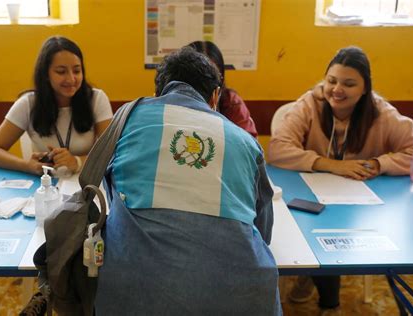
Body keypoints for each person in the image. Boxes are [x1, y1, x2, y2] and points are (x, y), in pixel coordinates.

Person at [95, 46, 281, 315]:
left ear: (158, 93)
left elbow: (111, 196)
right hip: (239, 298)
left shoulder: (128, 118)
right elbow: (264, 229)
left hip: (134, 297)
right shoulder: (244, 141)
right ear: (215, 96)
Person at [267, 46, 413, 314]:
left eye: (349, 84)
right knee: (315, 233)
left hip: (363, 205)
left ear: (364, 89)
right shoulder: (310, 104)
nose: (337, 89)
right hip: (309, 197)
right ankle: (329, 303)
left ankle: (318, 289)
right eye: (331, 81)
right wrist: (332, 165)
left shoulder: (380, 112)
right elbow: (277, 149)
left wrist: (380, 164)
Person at [0, 36, 113, 176]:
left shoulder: (96, 99)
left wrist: (78, 162)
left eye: (76, 71)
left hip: (86, 183)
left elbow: (114, 153)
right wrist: (27, 165)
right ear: (45, 74)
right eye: (61, 72)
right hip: (45, 186)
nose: (71, 79)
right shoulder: (28, 103)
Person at [187, 40, 258, 138]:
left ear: (221, 77)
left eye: (213, 75)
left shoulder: (231, 102)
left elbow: (248, 145)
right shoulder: (171, 102)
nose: (206, 83)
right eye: (198, 75)